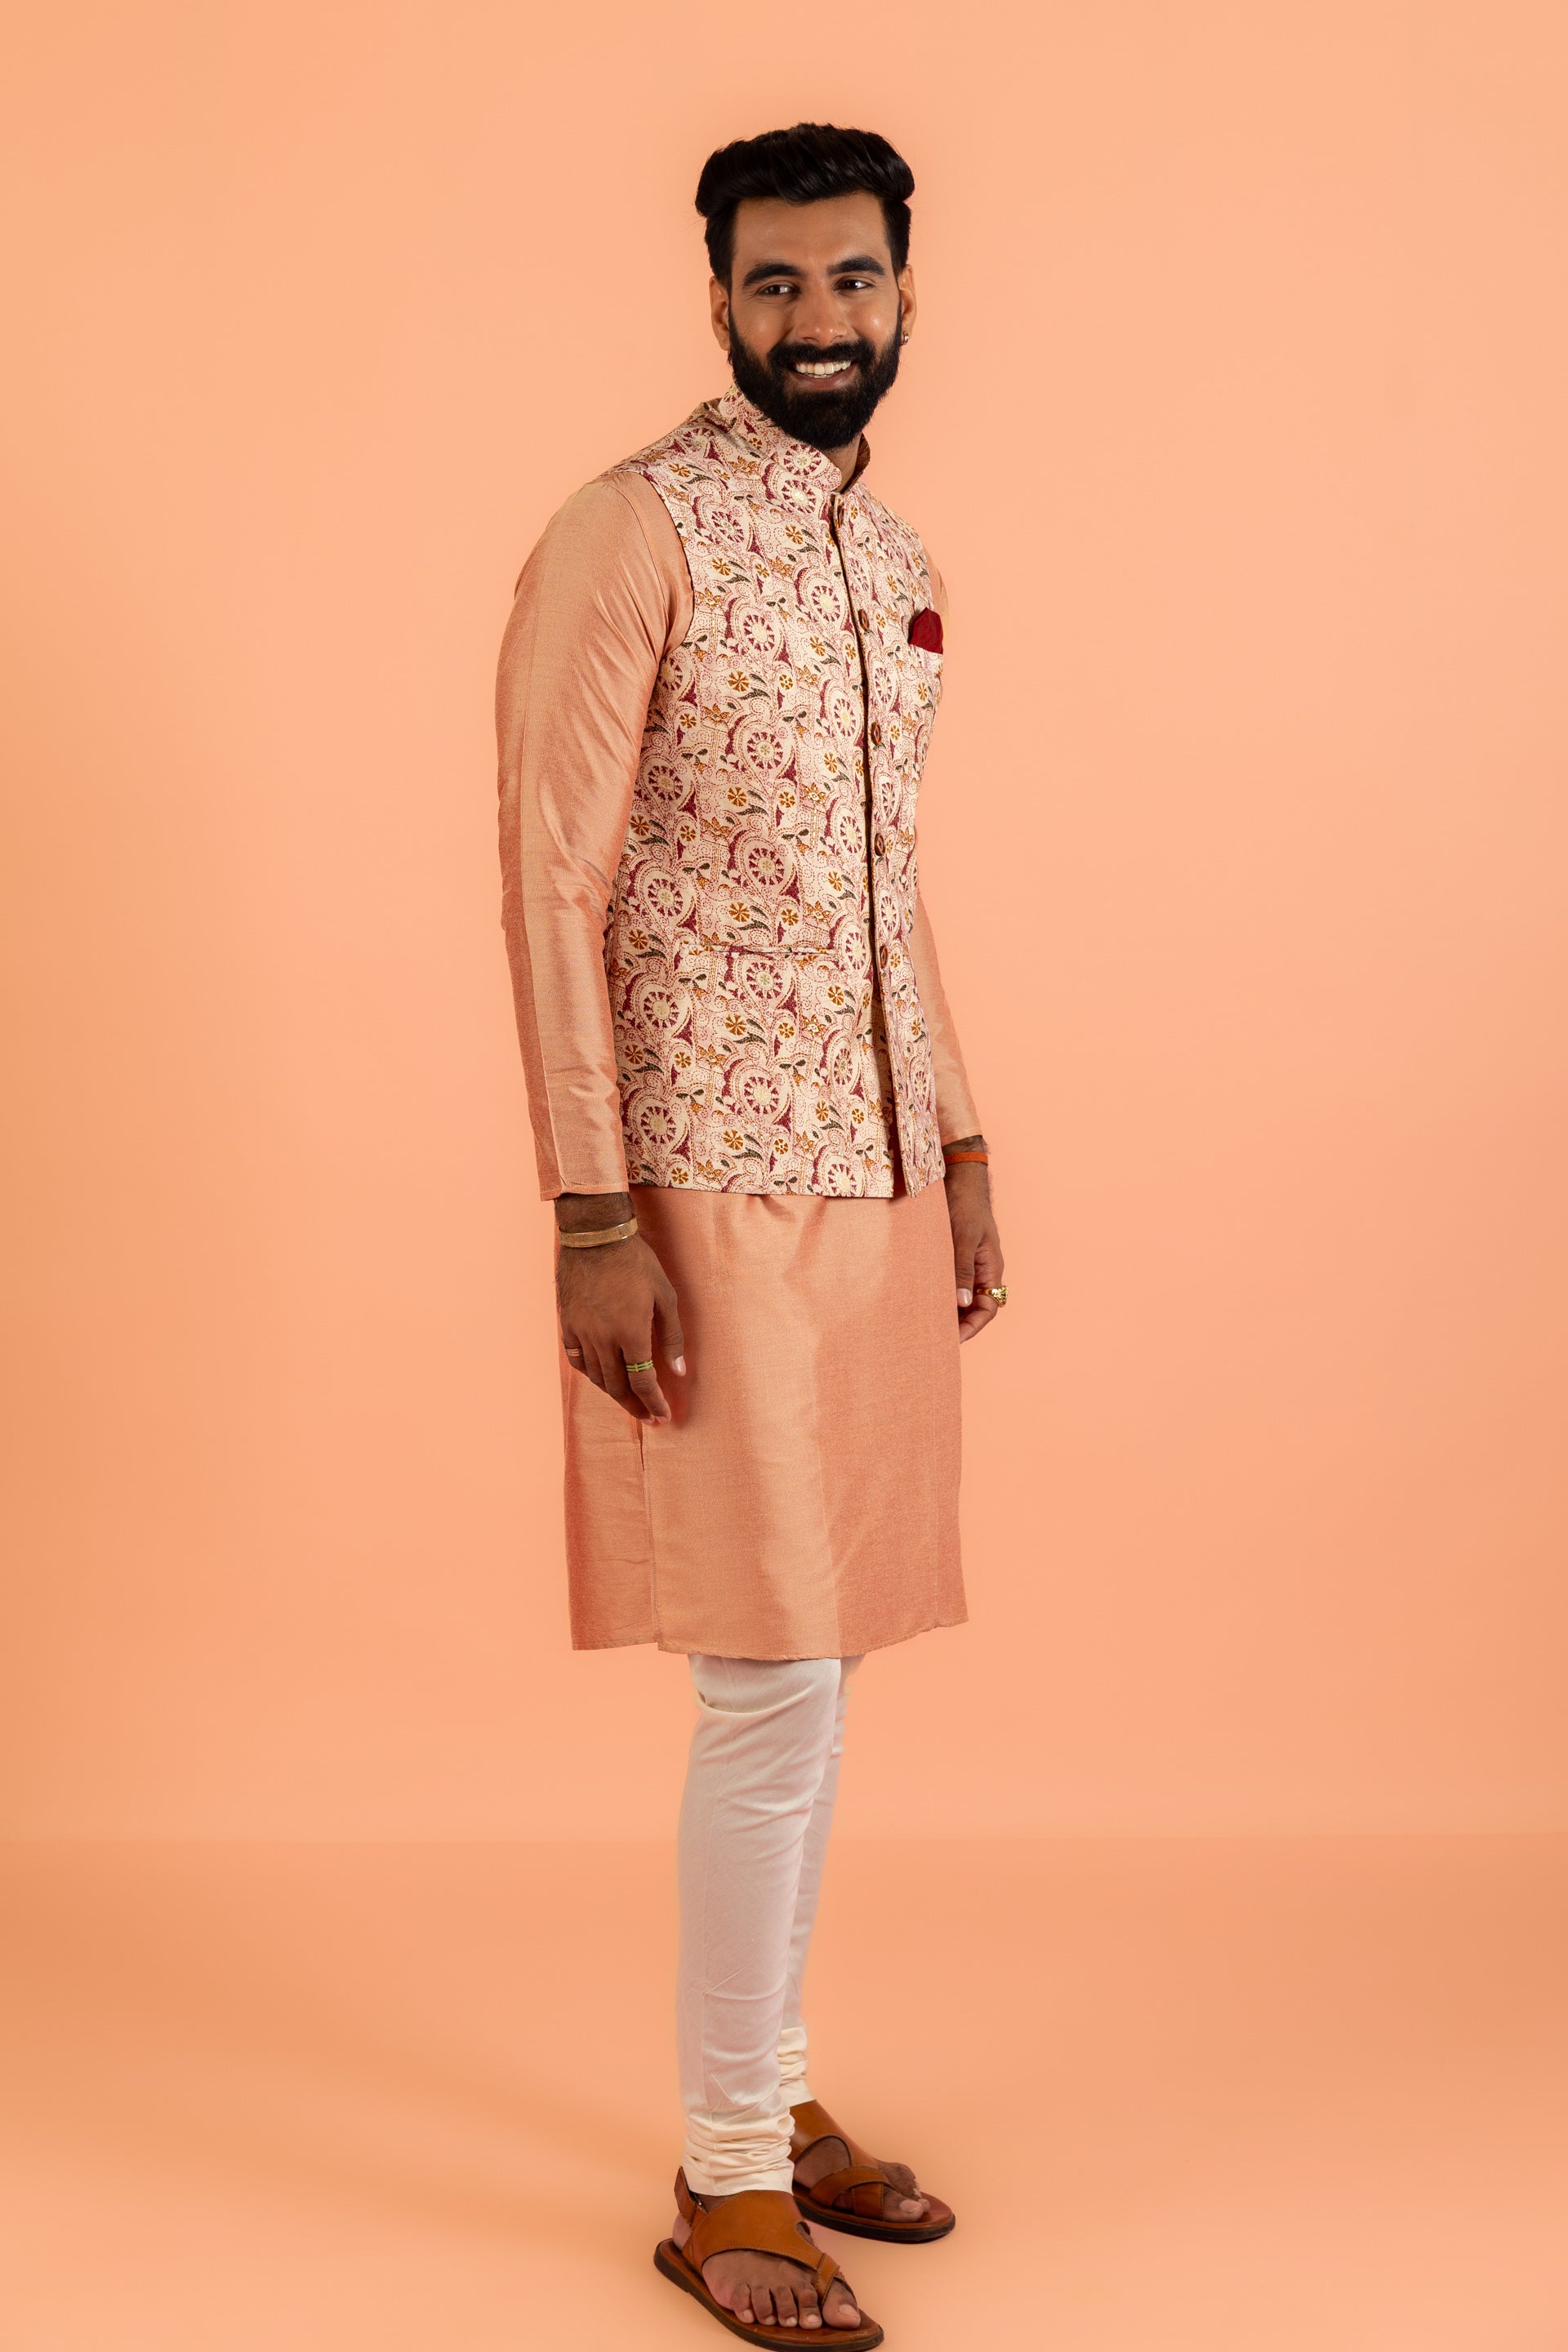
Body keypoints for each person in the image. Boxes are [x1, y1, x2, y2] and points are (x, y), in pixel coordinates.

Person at [496, 122, 1005, 2345]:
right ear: (717, 296)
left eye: (851, 279)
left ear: (905, 293)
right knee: (768, 1677)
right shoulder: (630, 532)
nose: (818, 321)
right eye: (776, 283)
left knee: (825, 1664)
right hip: (700, 1176)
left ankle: (773, 2096)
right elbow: (549, 878)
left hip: (872, 1175)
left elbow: (888, 879)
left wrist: (961, 1137)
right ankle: (724, 2182)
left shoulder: (892, 552)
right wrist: (588, 1211)